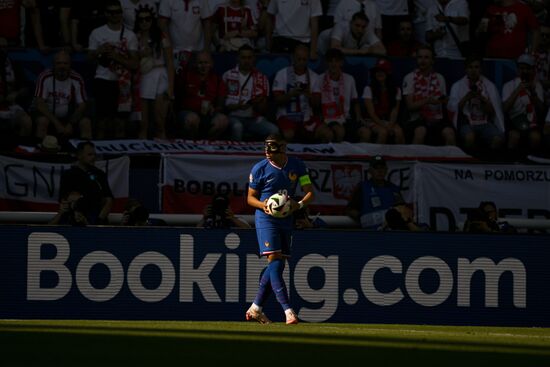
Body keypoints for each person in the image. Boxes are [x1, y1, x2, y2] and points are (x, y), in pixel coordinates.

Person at [246, 133, 315, 325]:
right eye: (266, 147)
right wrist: (264, 205)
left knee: (278, 264)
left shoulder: (297, 166)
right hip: (266, 218)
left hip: (286, 219)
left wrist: (298, 205)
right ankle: (288, 310)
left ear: (284, 147)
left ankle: (256, 308)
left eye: (273, 147)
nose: (268, 151)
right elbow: (250, 198)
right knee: (275, 259)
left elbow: (309, 192)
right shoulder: (259, 168)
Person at [88, 0, 140, 139]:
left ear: (122, 13)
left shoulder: (130, 35)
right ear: (106, 14)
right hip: (103, 79)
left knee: (120, 123)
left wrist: (117, 57)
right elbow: (89, 58)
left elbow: (135, 64)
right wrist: (100, 50)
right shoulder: (97, 33)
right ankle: (99, 156)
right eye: (111, 12)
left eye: (118, 12)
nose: (115, 15)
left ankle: (120, 157)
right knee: (102, 122)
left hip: (122, 84)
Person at [447, 54, 505, 158]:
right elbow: (454, 110)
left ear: (481, 69)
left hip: (485, 122)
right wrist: (466, 98)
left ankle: (488, 163)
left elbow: (493, 112)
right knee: (469, 137)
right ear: (466, 69)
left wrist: (482, 99)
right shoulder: (457, 86)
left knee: (497, 138)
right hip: (467, 122)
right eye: (470, 67)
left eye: (476, 67)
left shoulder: (489, 86)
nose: (473, 70)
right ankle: (469, 162)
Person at [33, 50, 92, 144]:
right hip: (49, 115)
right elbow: (39, 103)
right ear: (53, 65)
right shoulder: (44, 77)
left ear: (70, 65)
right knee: (42, 121)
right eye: (59, 63)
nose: (62, 66)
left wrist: (71, 124)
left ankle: (86, 151)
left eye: (65, 63)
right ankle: (40, 151)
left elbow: (82, 105)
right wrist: (57, 124)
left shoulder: (77, 78)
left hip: (69, 117)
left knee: (85, 122)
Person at [134, 5, 175, 139]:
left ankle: (162, 153)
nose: (144, 22)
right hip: (143, 77)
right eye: (141, 20)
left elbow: (170, 62)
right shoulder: (134, 38)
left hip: (160, 74)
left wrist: (171, 87)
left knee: (159, 121)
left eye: (147, 19)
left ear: (152, 20)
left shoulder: (161, 36)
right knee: (142, 123)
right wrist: (140, 54)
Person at [222, 45, 278, 141]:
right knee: (237, 127)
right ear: (238, 58)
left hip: (253, 118)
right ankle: (234, 155)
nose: (246, 61)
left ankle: (263, 155)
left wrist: (259, 104)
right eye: (243, 57)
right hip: (233, 117)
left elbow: (264, 109)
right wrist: (237, 106)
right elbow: (221, 103)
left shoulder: (261, 78)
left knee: (273, 130)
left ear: (254, 59)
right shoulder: (228, 75)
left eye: (249, 58)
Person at [402, 45, 455, 145]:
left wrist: (445, 101)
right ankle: (414, 159)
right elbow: (410, 106)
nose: (423, 60)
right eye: (420, 57)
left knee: (450, 134)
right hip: (417, 119)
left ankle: (449, 160)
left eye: (426, 57)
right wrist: (427, 100)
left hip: (437, 118)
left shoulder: (440, 78)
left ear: (432, 61)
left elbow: (443, 101)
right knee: (421, 131)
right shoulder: (409, 78)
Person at [272, 44, 321, 143]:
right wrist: (291, 94)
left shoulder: (314, 77)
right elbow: (276, 100)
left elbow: (317, 104)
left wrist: (308, 94)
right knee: (288, 135)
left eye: (304, 59)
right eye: (299, 59)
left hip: (306, 117)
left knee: (326, 133)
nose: (301, 62)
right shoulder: (282, 74)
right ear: (293, 58)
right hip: (286, 116)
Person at [316, 48, 366, 143]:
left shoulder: (349, 79)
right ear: (326, 63)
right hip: (328, 118)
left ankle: (359, 156)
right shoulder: (319, 79)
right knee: (340, 131)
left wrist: (359, 118)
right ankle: (338, 156)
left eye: (336, 61)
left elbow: (355, 101)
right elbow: (315, 103)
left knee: (365, 132)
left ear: (342, 63)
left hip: (345, 118)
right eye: (330, 61)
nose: (333, 64)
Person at [176, 51, 229, 140]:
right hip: (188, 112)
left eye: (206, 63)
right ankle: (192, 145)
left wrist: (214, 109)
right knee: (192, 119)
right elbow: (177, 98)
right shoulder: (186, 76)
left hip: (209, 114)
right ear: (195, 64)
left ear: (211, 64)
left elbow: (221, 105)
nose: (203, 66)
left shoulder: (217, 79)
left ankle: (207, 144)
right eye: (200, 63)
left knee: (223, 121)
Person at [58, 141, 114, 225]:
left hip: (98, 221)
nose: (93, 157)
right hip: (75, 221)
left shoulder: (99, 174)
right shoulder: (68, 174)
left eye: (94, 154)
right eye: (90, 154)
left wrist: (98, 222)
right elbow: (65, 199)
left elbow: (109, 200)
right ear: (79, 155)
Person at [502, 54, 545, 159]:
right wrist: (518, 90)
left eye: (527, 68)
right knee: (514, 137)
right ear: (518, 69)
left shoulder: (537, 85)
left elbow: (542, 111)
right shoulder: (509, 85)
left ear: (532, 70)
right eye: (522, 68)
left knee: (535, 137)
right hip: (514, 122)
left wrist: (533, 93)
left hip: (531, 122)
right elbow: (505, 109)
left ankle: (533, 164)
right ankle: (511, 165)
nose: (524, 71)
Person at [346, 155, 402, 230]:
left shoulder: (394, 189)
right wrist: (362, 218)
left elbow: (403, 211)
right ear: (370, 171)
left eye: (382, 168)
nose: (380, 171)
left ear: (386, 170)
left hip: (391, 235)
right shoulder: (362, 187)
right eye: (376, 168)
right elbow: (350, 210)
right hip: (370, 236)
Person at [362, 58, 405, 144]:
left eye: (382, 71)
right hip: (371, 120)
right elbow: (371, 114)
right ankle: (377, 157)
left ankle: (398, 157)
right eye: (377, 71)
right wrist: (385, 126)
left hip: (388, 121)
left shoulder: (396, 90)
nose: (379, 73)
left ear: (388, 73)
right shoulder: (368, 89)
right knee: (383, 132)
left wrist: (390, 125)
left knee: (399, 132)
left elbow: (394, 110)